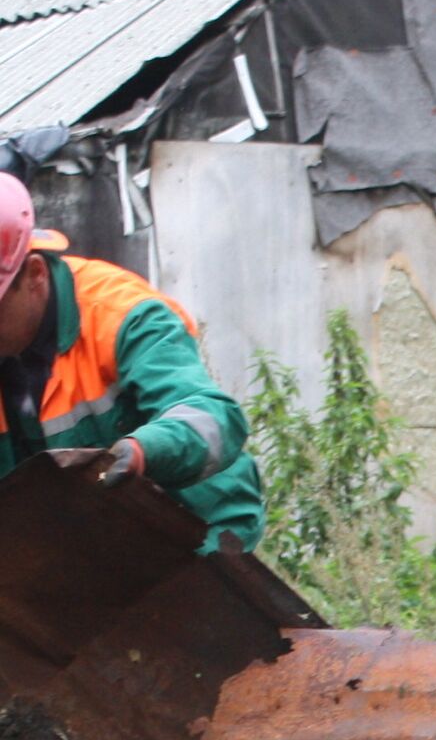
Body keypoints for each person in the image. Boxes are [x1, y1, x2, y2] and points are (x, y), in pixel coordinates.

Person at [0, 172, 264, 550]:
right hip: (90, 551)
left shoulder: (124, 316)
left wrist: (142, 451)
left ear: (35, 274)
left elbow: (213, 419)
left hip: (197, 533)